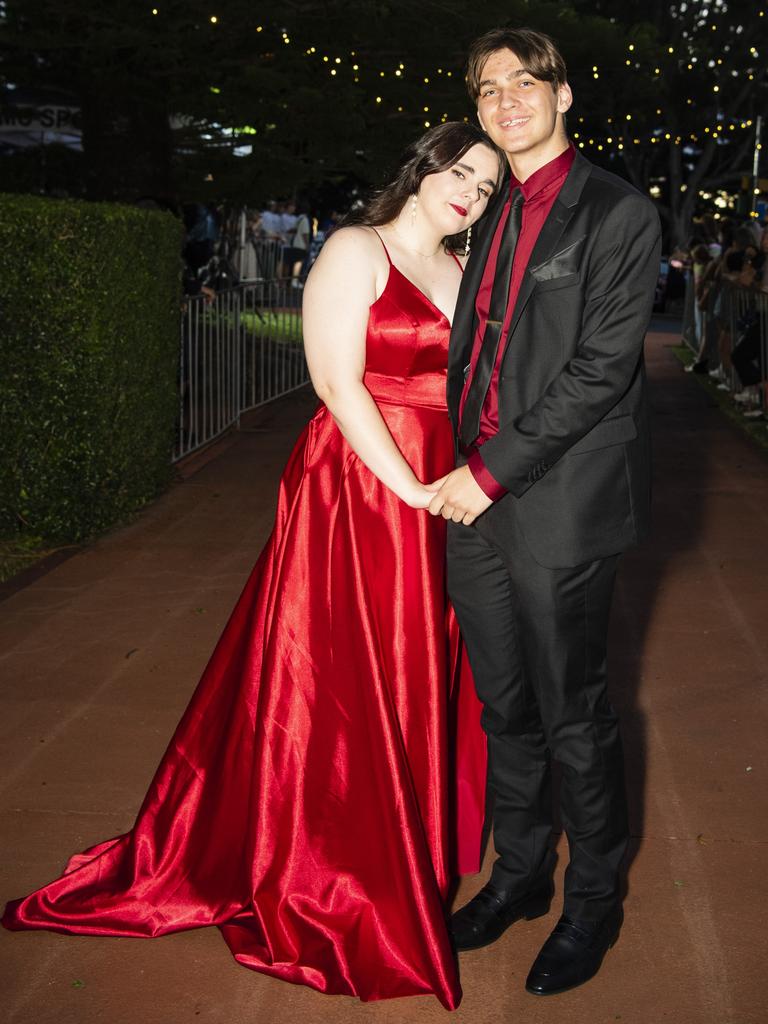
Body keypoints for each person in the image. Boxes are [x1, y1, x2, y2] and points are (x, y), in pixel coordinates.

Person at [2, 122, 503, 1010]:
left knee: (409, 668)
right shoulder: (358, 247)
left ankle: (392, 848)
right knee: (341, 669)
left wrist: (465, 480)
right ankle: (325, 865)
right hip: (360, 480)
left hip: (436, 487)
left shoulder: (465, 273)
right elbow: (338, 385)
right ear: (423, 167)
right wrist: (413, 490)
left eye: (487, 185)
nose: (470, 190)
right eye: (460, 170)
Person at [426, 27, 661, 996]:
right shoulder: (490, 210)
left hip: (556, 508)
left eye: (528, 80)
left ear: (565, 95)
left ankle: (593, 898)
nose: (507, 98)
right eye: (489, 87)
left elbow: (603, 370)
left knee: (574, 716)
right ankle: (520, 875)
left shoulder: (618, 212)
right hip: (478, 504)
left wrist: (487, 472)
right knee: (504, 705)